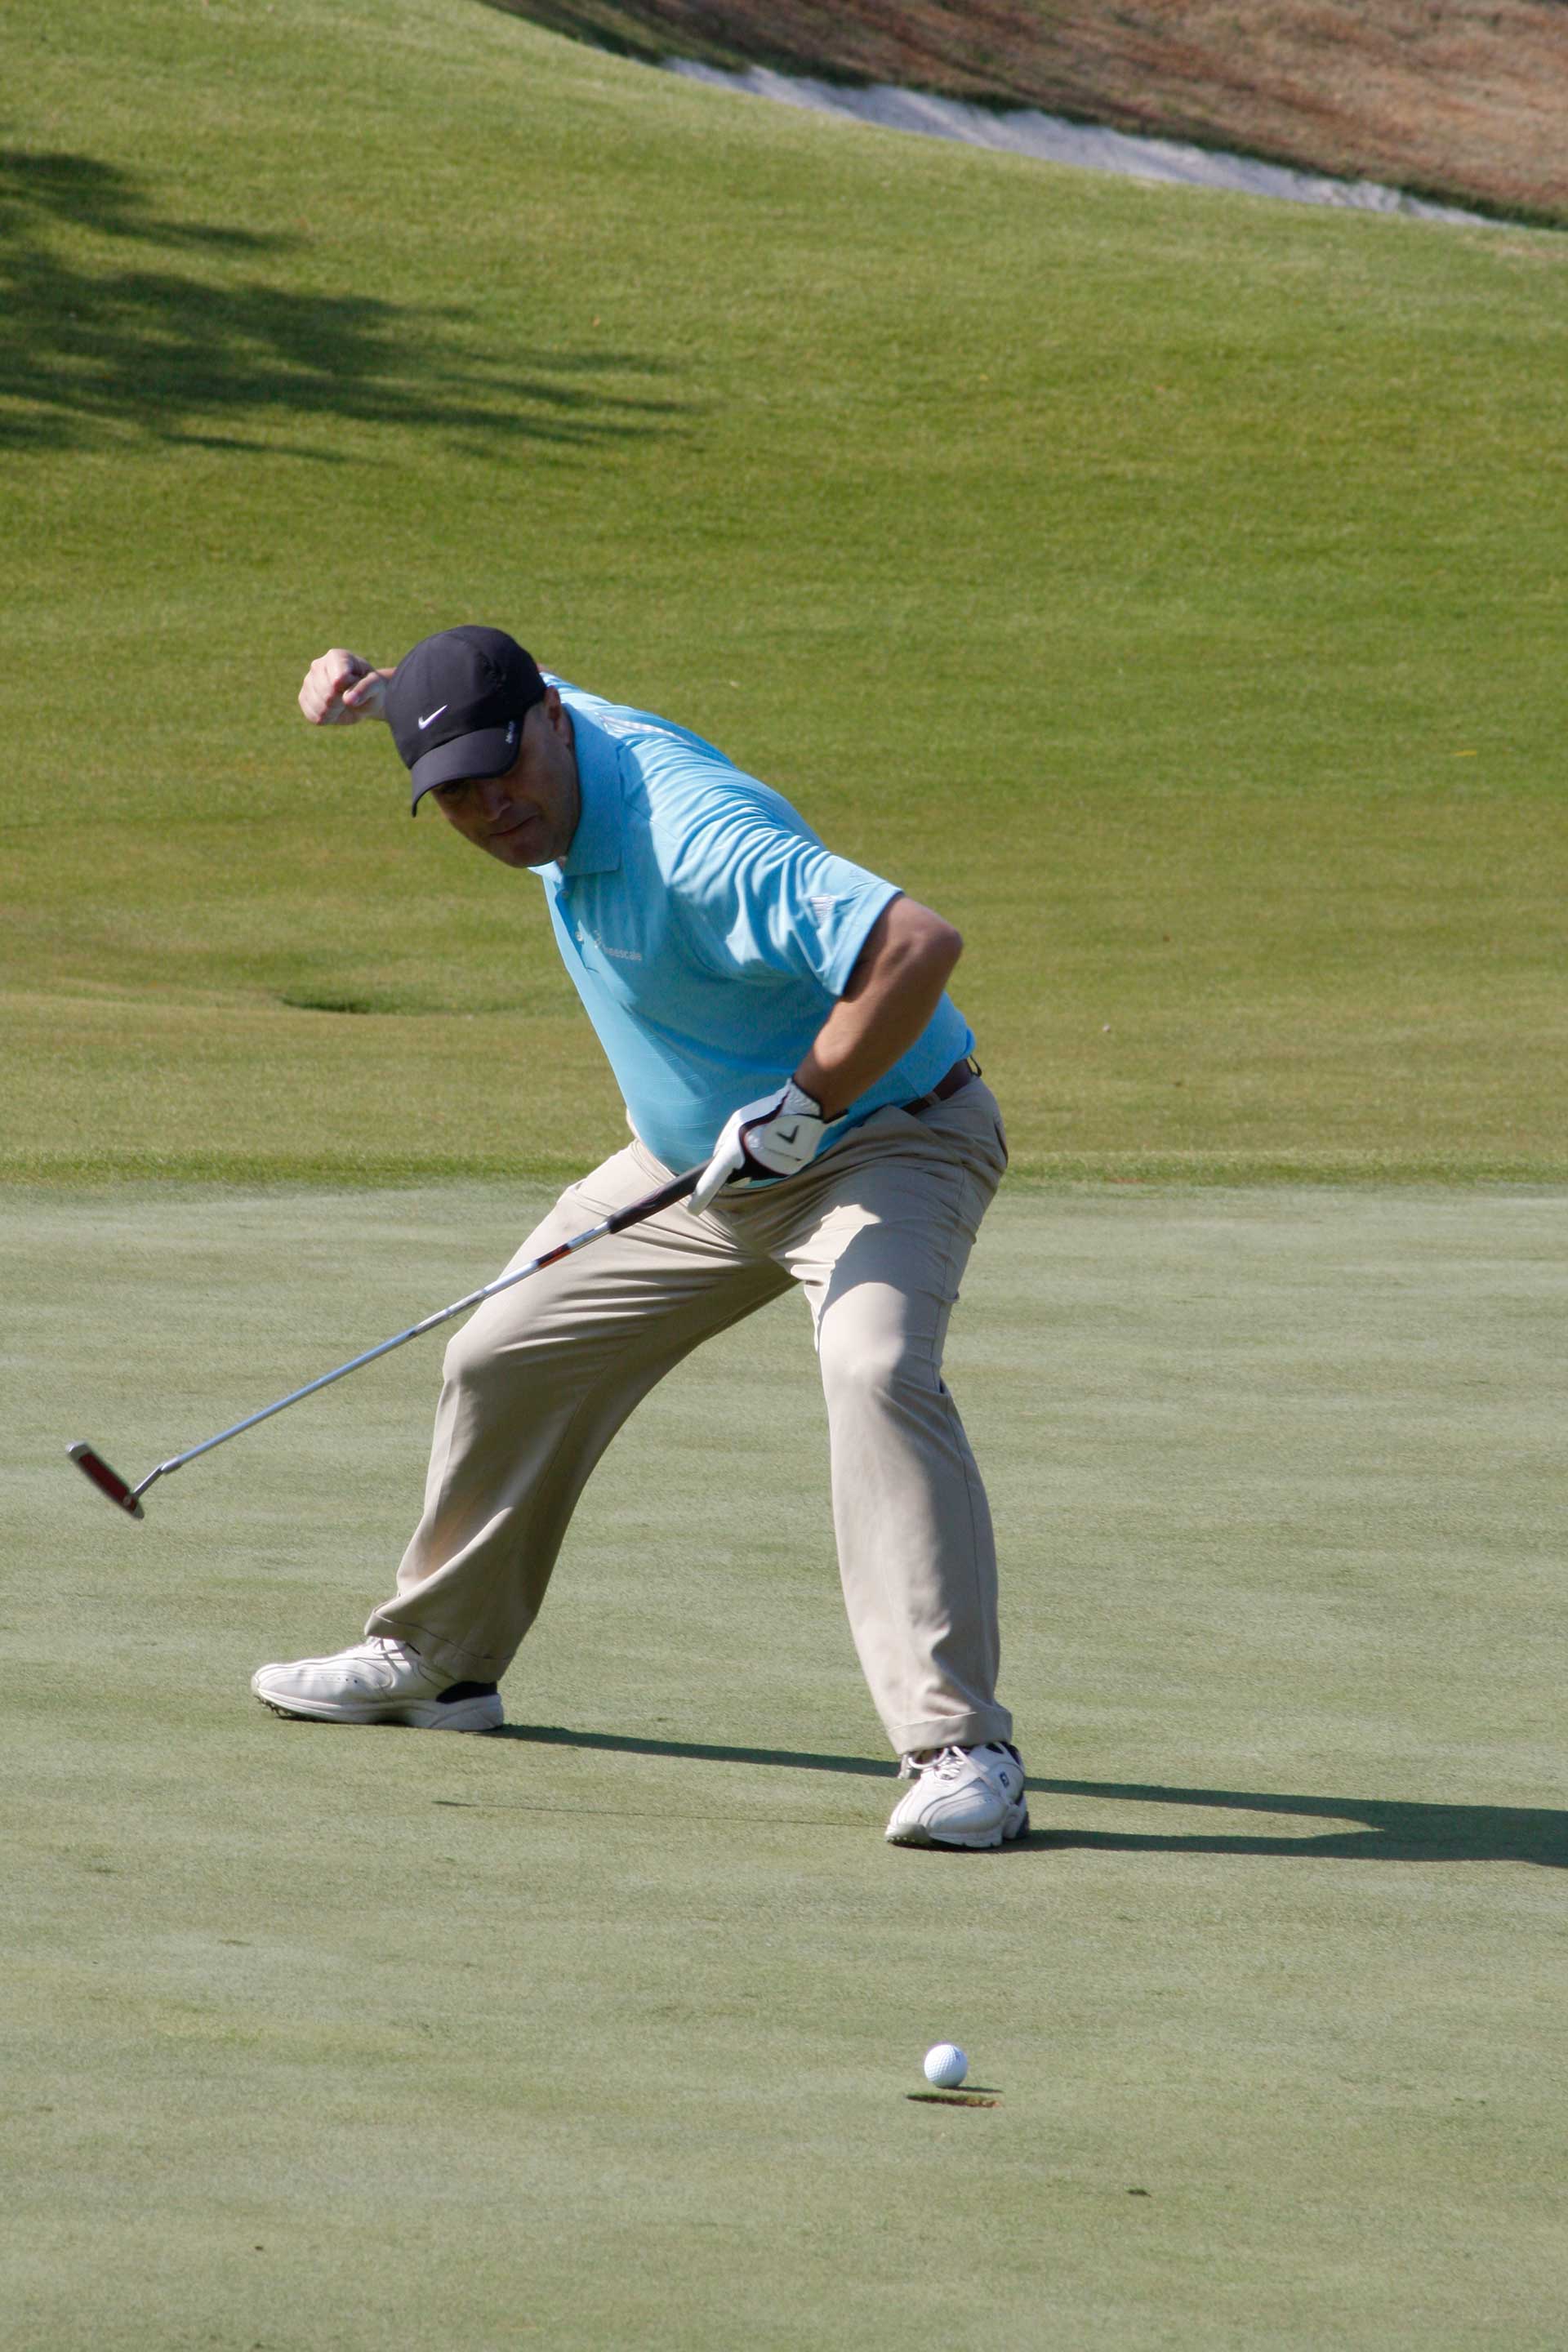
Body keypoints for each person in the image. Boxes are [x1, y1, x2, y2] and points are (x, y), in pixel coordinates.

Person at [252, 626, 1027, 1851]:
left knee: (875, 1367)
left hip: (885, 1141)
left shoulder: (697, 838)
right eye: (454, 794)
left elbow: (915, 945)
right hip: (694, 1170)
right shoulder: (521, 727)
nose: (491, 809)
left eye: (502, 771)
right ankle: (443, 1663)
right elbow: (462, 695)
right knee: (501, 1353)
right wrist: (378, 693)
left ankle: (962, 1751)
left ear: (555, 722)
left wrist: (806, 1106)